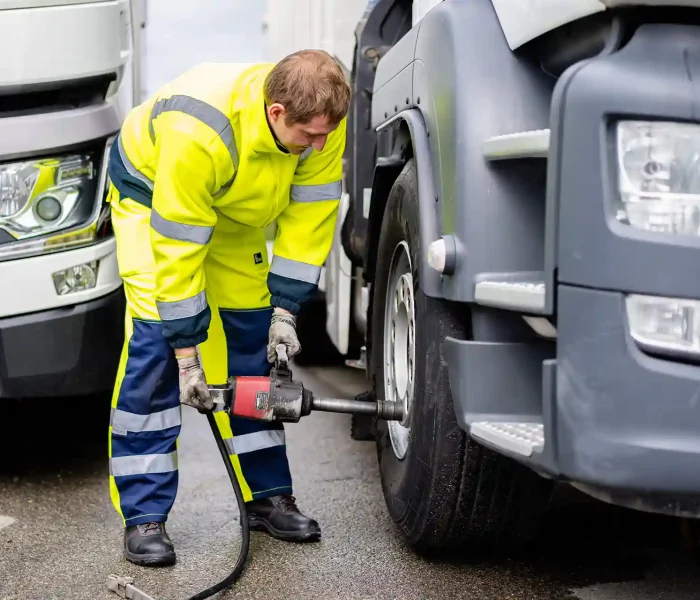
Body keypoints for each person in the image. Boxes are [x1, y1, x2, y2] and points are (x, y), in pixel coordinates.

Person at [106, 49, 350, 567]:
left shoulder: (320, 121)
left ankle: (267, 496)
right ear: (276, 112)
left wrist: (284, 312)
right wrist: (188, 357)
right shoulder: (199, 132)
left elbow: (310, 219)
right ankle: (144, 515)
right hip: (156, 202)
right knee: (155, 348)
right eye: (310, 135)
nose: (321, 145)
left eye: (327, 134)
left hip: (234, 213)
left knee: (252, 342)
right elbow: (179, 247)